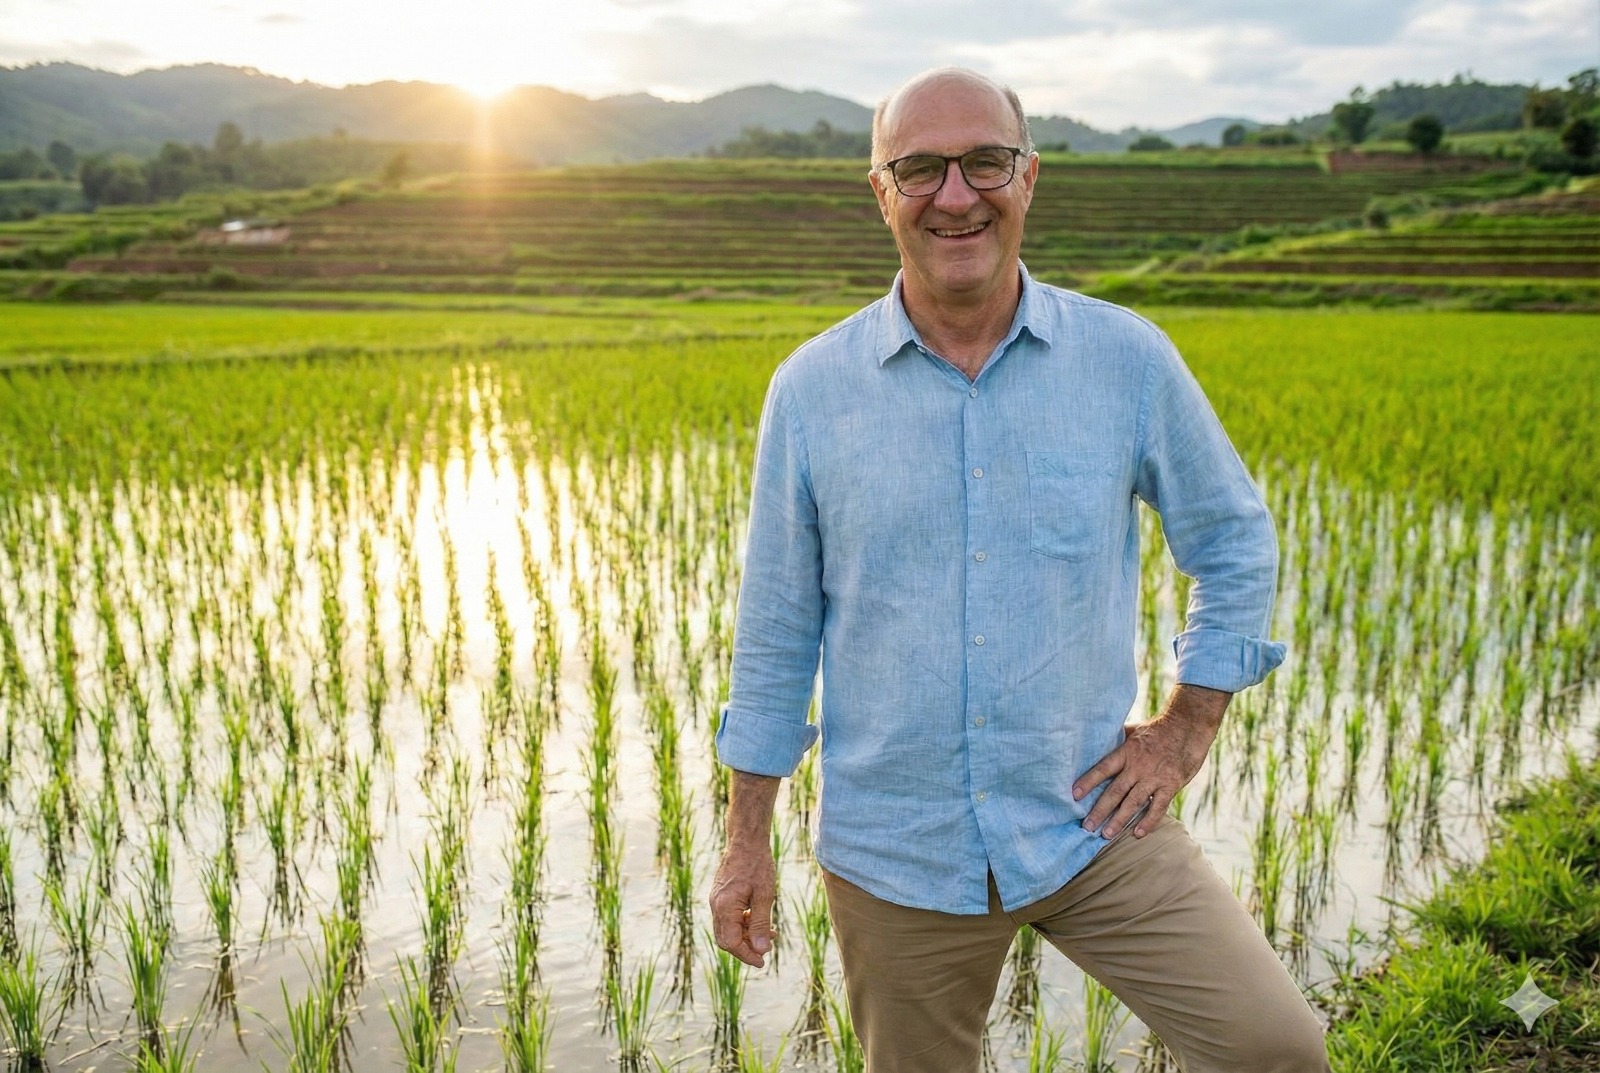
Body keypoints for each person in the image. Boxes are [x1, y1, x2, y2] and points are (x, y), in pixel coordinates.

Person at [708, 66, 1331, 1072]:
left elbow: (1231, 534)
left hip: (1088, 822)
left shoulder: (1124, 359)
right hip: (896, 853)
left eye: (984, 162)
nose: (956, 196)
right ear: (880, 192)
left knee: (1277, 1047)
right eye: (918, 169)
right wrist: (745, 841)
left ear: (1027, 175)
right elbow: (775, 629)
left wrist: (1183, 729)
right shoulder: (812, 392)